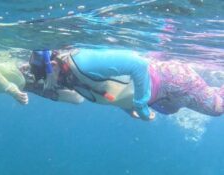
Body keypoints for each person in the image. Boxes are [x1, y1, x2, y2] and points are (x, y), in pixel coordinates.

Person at [29, 48, 224, 120]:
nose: (48, 83)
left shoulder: (82, 62)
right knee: (175, 110)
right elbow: (108, 87)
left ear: (53, 65)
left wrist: (139, 104)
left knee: (217, 108)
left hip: (171, 80)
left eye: (45, 76)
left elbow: (137, 64)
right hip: (160, 97)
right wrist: (127, 108)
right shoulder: (68, 76)